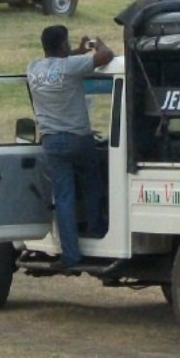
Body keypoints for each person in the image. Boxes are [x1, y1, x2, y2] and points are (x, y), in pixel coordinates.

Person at [26, 25, 114, 269]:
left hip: (51, 141)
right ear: (63, 45)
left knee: (64, 196)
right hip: (79, 138)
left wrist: (77, 49)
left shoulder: (33, 69)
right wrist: (97, 44)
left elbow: (61, 62)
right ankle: (96, 229)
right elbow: (106, 56)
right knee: (92, 184)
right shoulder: (71, 68)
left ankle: (70, 254)